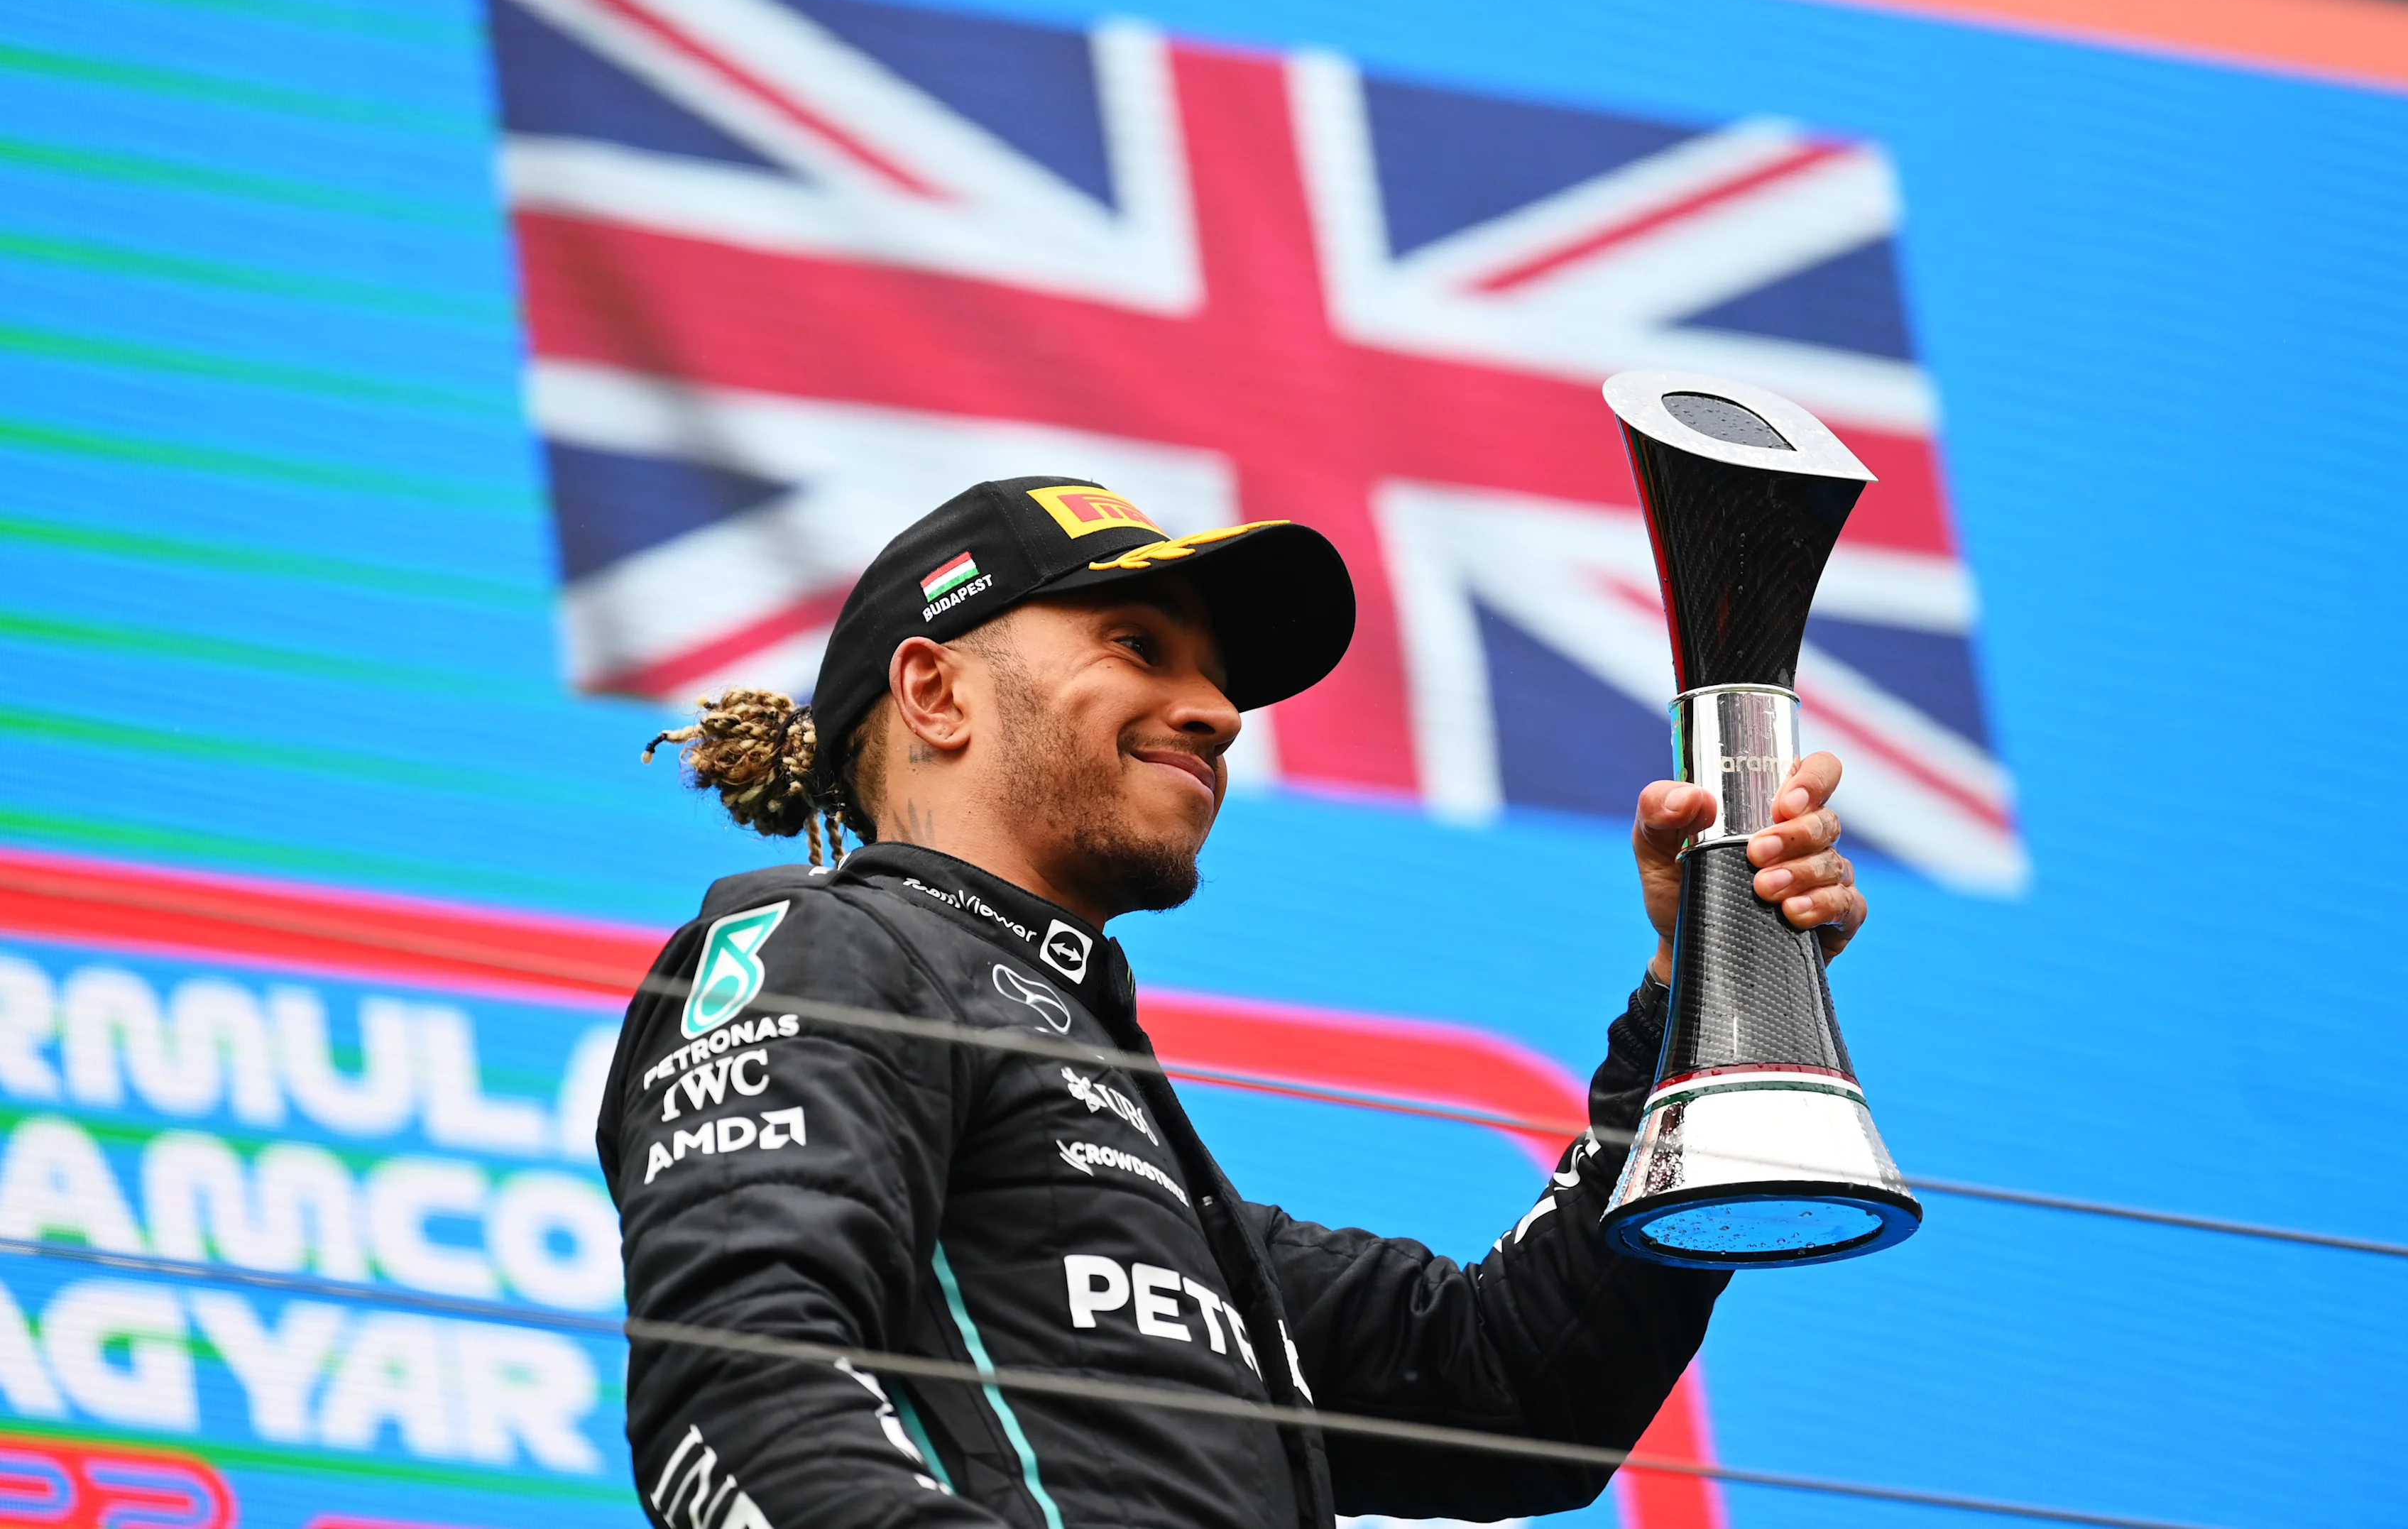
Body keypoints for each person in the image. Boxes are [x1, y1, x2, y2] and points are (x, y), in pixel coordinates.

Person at [600, 477, 1868, 1529]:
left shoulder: (1146, 1173)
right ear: (936, 693)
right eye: (1137, 646)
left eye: (1218, 678)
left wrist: (1704, 985)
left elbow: (1516, 1386)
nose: (1216, 713)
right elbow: (740, 1381)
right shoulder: (819, 942)